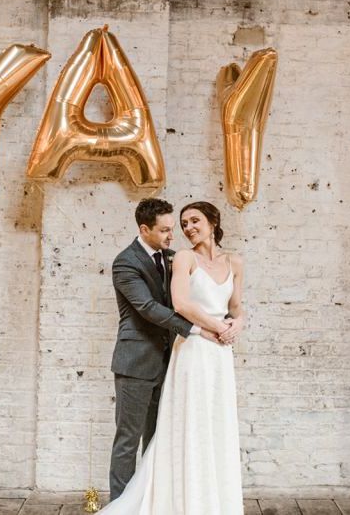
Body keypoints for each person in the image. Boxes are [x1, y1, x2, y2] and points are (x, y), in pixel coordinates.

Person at [106, 198, 244, 514]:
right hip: (137, 361)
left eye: (177, 227)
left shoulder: (175, 257)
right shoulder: (125, 262)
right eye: (167, 229)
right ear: (145, 229)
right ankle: (121, 505)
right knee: (128, 440)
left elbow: (222, 298)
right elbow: (149, 308)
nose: (174, 235)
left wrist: (234, 322)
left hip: (172, 361)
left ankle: (160, 503)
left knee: (160, 440)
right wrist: (201, 330)